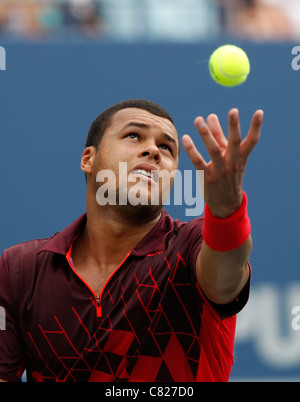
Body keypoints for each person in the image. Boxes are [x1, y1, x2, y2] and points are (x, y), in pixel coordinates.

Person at [0, 99, 263, 382]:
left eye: (166, 147)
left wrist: (226, 212)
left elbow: (225, 276)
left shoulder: (190, 245)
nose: (153, 150)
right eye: (134, 135)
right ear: (89, 159)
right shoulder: (19, 269)